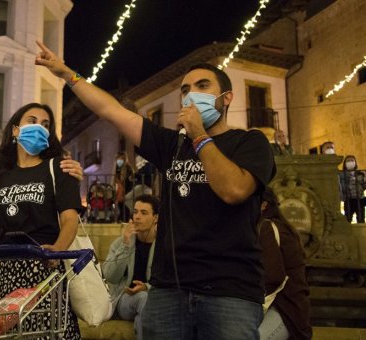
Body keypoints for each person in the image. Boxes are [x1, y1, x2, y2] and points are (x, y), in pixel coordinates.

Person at [36, 41, 275, 339]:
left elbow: (234, 190)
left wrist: (198, 134)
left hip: (229, 293)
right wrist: (67, 74)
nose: (191, 95)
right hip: (168, 291)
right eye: (186, 90)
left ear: (226, 99)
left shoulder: (250, 143)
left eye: (203, 86)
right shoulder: (171, 145)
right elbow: (110, 109)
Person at [0, 103, 81, 338]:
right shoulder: (0, 174)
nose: (39, 127)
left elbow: (70, 219)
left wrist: (57, 250)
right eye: (32, 120)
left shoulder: (58, 168)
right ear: (16, 131)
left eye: (45, 124)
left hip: (43, 272)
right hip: (5, 275)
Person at [102, 194, 159, 340]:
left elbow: (170, 278)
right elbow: (110, 276)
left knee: (145, 302)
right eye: (135, 212)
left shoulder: (164, 246)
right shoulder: (121, 243)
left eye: (144, 213)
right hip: (125, 299)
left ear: (156, 218)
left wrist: (146, 286)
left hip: (155, 297)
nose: (137, 217)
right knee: (143, 298)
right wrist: (126, 245)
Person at [258, 188, 312, 340]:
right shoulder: (282, 226)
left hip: (284, 310)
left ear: (263, 205)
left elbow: (273, 276)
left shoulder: (267, 227)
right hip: (295, 310)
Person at [339, 155, 366, 223]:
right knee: (347, 220)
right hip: (349, 200)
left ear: (355, 162)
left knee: (361, 220)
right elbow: (340, 186)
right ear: (345, 163)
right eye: (348, 161)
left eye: (352, 160)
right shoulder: (342, 174)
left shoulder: (361, 173)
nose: (350, 162)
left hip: (360, 199)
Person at [114, 152, 135, 222]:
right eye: (118, 159)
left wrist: (126, 193)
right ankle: (122, 220)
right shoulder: (118, 169)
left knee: (125, 207)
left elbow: (130, 181)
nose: (119, 161)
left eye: (120, 159)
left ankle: (123, 220)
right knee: (121, 206)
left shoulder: (128, 168)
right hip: (121, 191)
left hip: (127, 190)